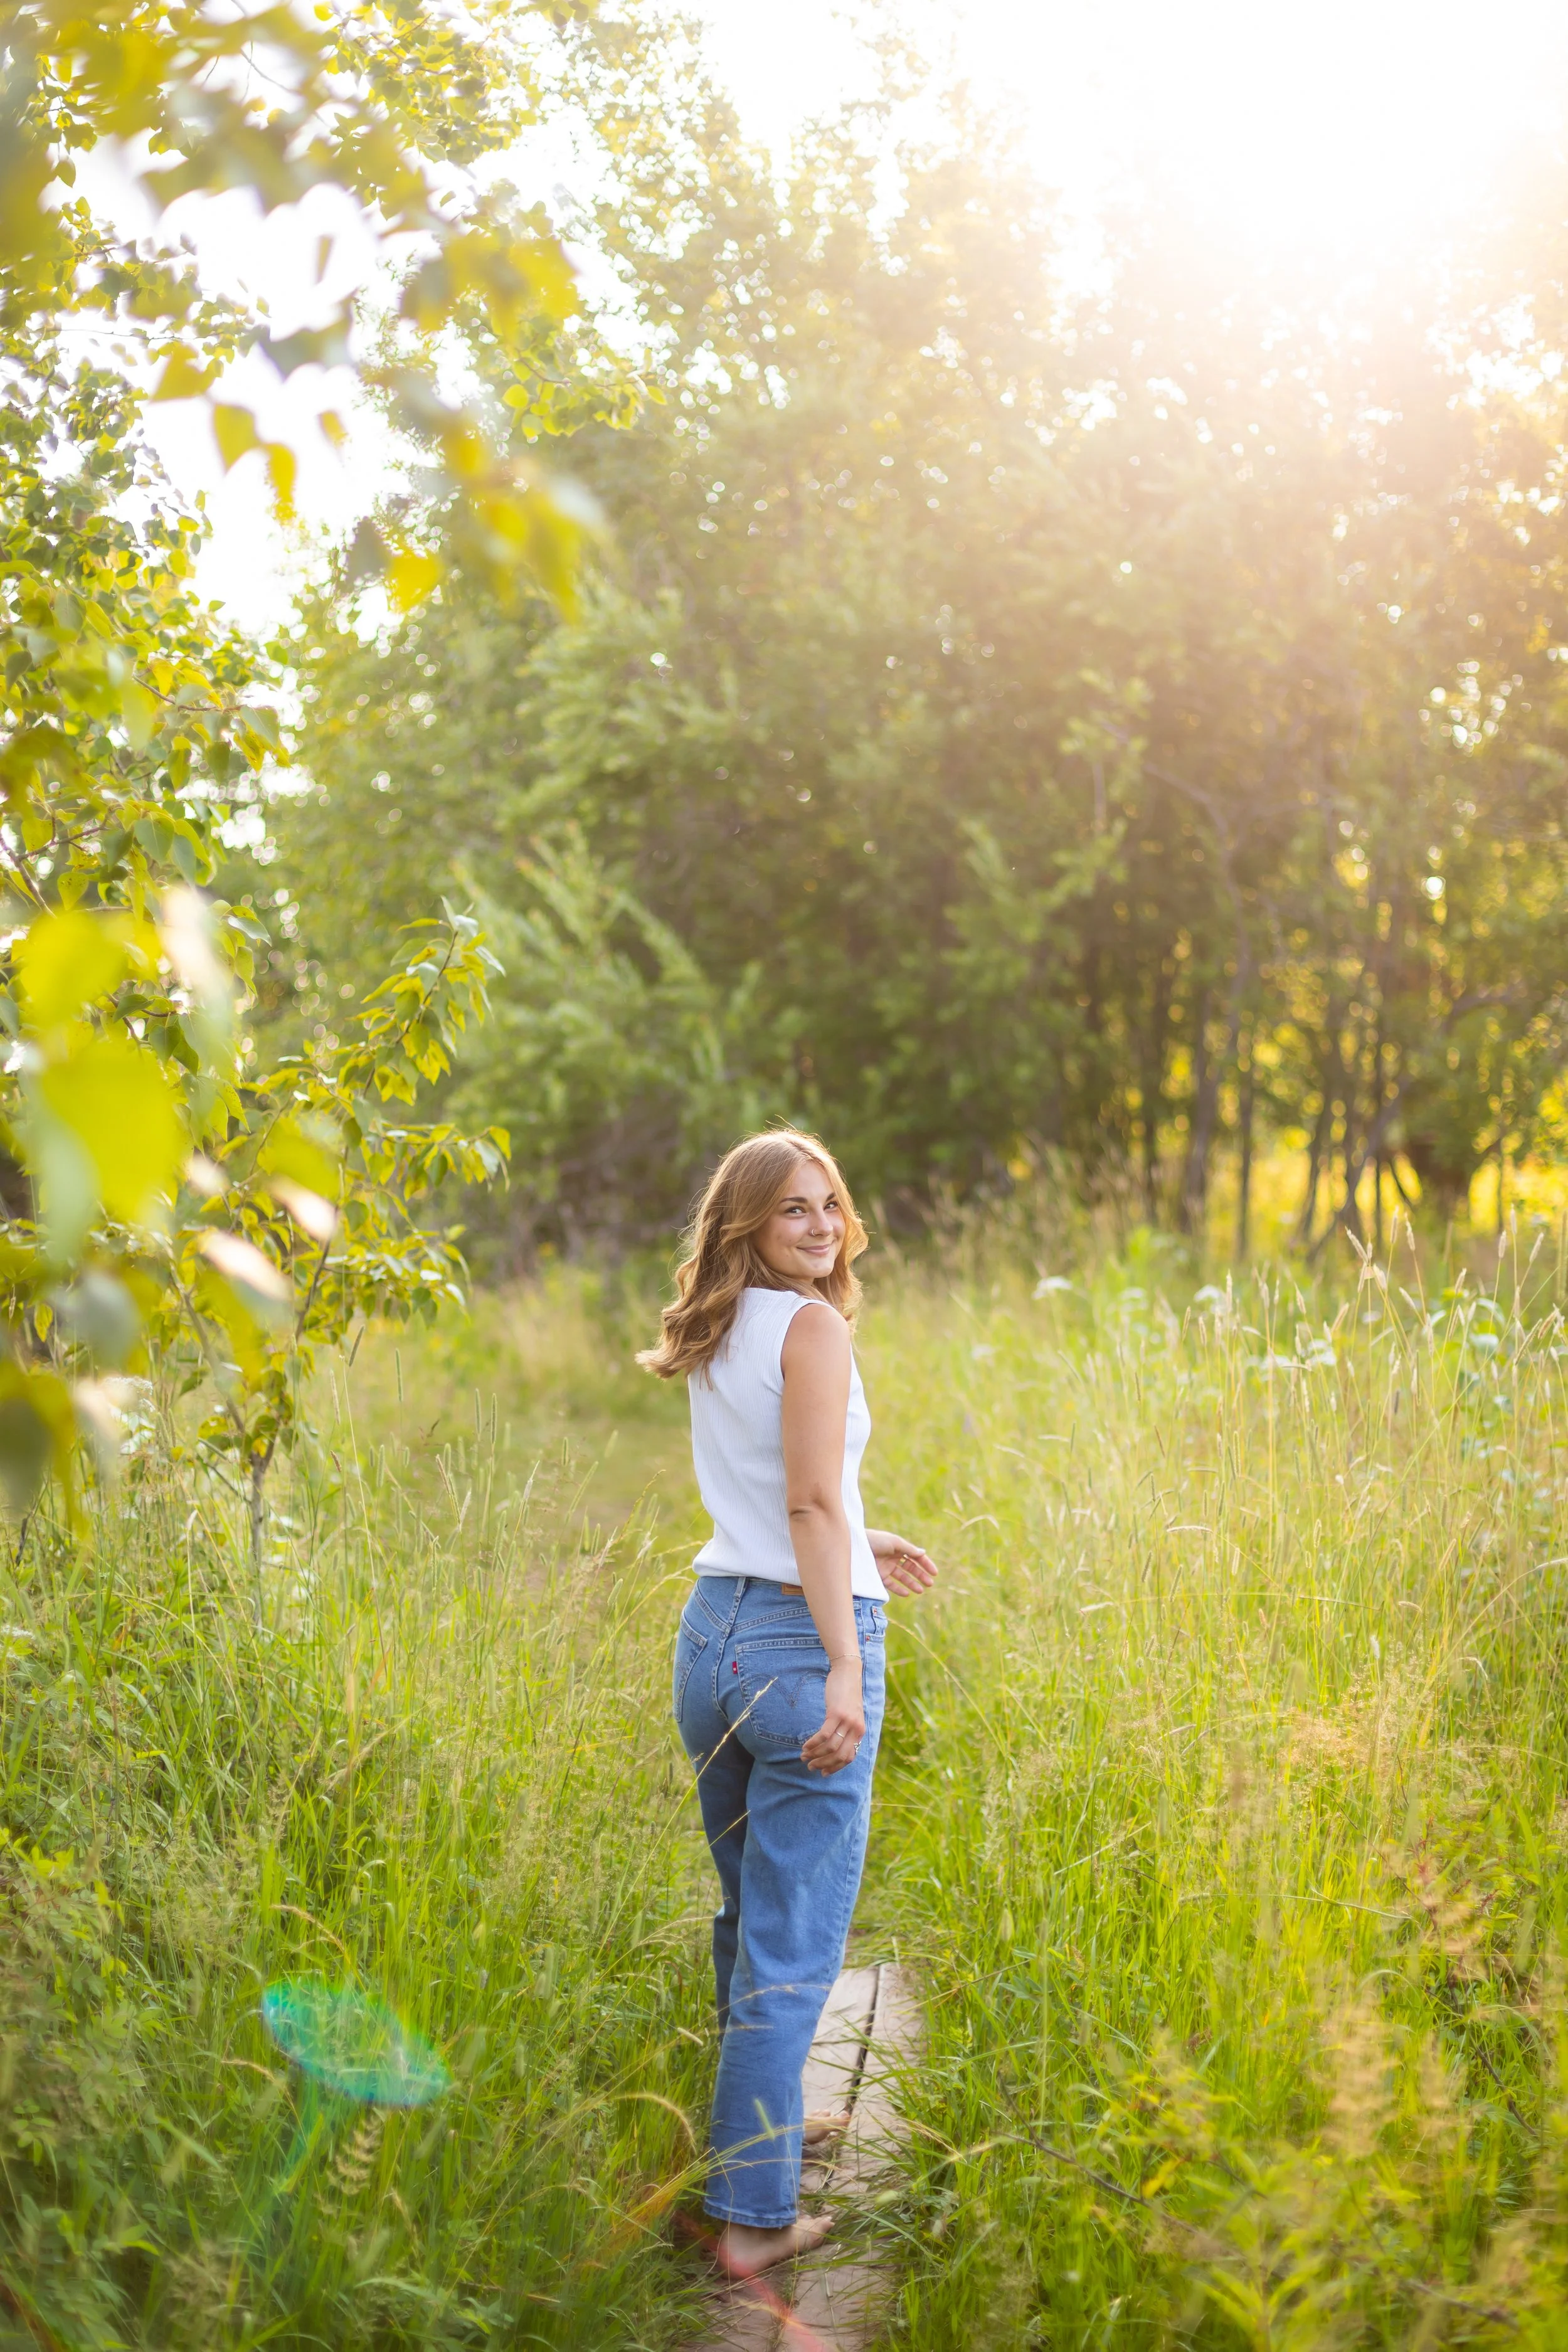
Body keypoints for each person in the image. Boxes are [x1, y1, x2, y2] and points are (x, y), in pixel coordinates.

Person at [639, 1128, 938, 2280]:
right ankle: (756, 2222)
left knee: (746, 1916)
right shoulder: (811, 1326)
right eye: (792, 1212)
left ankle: (750, 2144)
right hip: (794, 1643)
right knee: (790, 1944)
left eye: (830, 1205)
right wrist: (846, 1665)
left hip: (712, 1633)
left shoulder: (721, 1321)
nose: (820, 1226)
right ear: (747, 1226)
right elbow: (808, 1502)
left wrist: (868, 1538)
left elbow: (786, 1496)